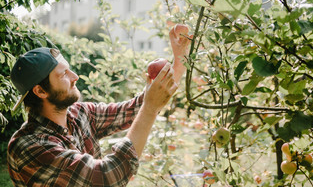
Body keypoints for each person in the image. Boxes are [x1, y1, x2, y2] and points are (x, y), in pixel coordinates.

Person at [7, 25, 191, 187]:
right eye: (63, 74)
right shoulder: (29, 147)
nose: (75, 76)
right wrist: (150, 109)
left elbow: (135, 109)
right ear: (40, 91)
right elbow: (107, 177)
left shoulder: (80, 114)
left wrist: (179, 61)